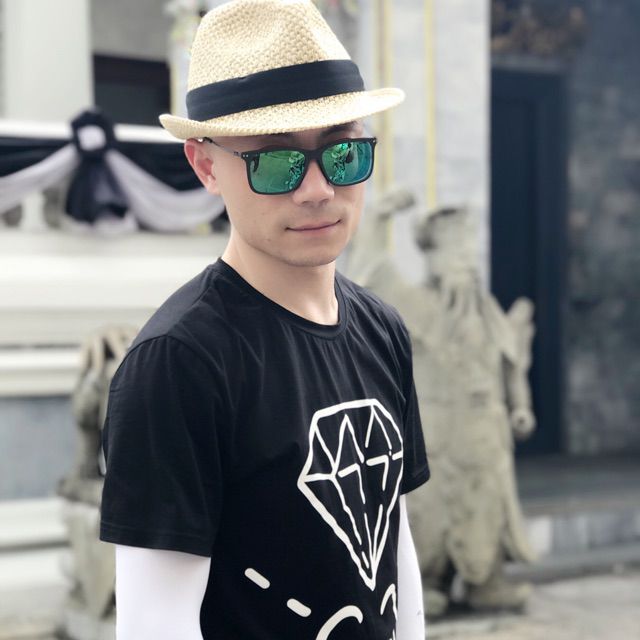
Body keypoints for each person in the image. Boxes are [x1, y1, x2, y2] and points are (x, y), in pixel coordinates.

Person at [99, 1, 430, 638]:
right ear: (206, 166)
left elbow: (395, 541)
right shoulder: (179, 364)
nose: (318, 189)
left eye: (343, 155)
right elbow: (155, 623)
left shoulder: (382, 328)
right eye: (277, 162)